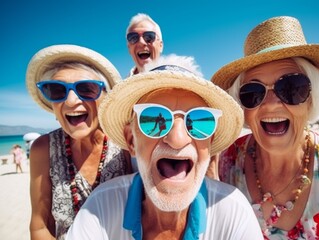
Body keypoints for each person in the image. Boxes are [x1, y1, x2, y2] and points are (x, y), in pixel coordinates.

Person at [66, 55, 263, 239]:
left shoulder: (233, 211)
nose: (177, 139)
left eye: (199, 122)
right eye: (152, 118)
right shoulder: (100, 207)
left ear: (209, 143)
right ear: (131, 141)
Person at [211, 16, 319, 239]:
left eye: (291, 87)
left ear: (312, 98)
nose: (271, 105)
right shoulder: (225, 161)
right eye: (253, 93)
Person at [26, 44, 133, 240]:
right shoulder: (43, 149)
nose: (71, 101)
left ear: (105, 97)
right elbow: (41, 225)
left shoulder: (124, 143)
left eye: (86, 89)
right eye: (57, 90)